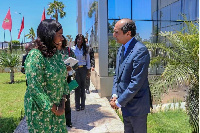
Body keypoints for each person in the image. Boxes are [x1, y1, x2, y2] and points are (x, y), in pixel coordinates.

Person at [24, 19, 69, 132]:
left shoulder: (56, 54)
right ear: (50, 35)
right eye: (59, 35)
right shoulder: (35, 56)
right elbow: (35, 88)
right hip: (41, 112)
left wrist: (62, 104)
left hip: (58, 109)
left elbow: (63, 80)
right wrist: (53, 108)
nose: (62, 38)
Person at [110, 18, 152, 133]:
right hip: (125, 105)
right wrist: (114, 94)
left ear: (128, 33)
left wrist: (119, 102)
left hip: (137, 107)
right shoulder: (121, 50)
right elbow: (117, 76)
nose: (114, 35)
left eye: (116, 32)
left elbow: (136, 82)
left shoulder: (140, 50)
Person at [60, 35, 77, 128]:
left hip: (67, 78)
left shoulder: (69, 51)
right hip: (57, 79)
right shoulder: (54, 52)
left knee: (67, 99)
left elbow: (76, 63)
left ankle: (68, 121)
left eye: (62, 40)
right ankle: (60, 120)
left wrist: (71, 67)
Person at [72, 34, 90, 111]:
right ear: (76, 40)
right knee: (77, 88)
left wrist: (88, 71)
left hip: (83, 69)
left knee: (83, 87)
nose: (80, 41)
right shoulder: (72, 49)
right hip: (76, 69)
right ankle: (77, 105)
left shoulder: (85, 49)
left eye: (81, 39)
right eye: (79, 39)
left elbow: (88, 60)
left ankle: (82, 105)